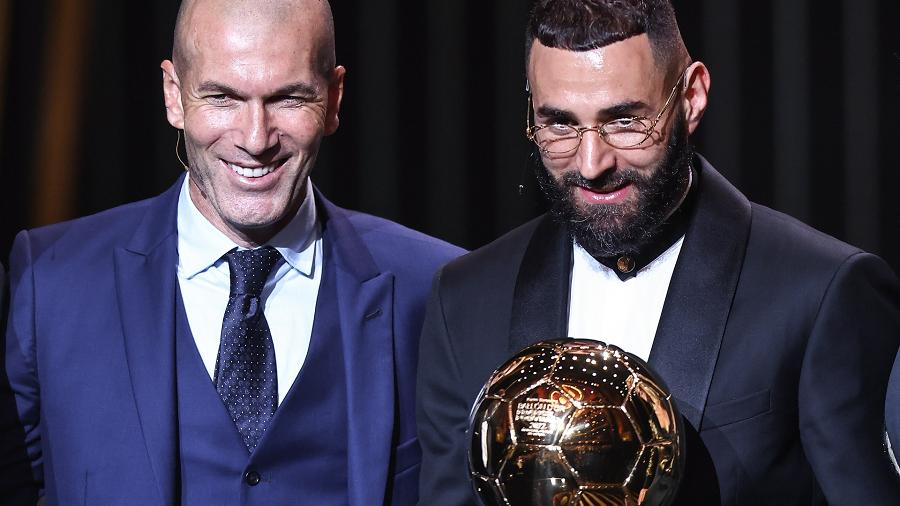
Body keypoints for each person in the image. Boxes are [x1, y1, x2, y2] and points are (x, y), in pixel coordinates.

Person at [416, 0, 900, 504]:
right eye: (559, 125)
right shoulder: (464, 299)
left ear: (691, 97)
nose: (591, 164)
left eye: (624, 121)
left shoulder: (823, 291)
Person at [1, 0, 462, 504]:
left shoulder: (436, 290)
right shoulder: (50, 281)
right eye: (222, 97)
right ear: (173, 94)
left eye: (288, 98)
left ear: (333, 99)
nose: (255, 138)